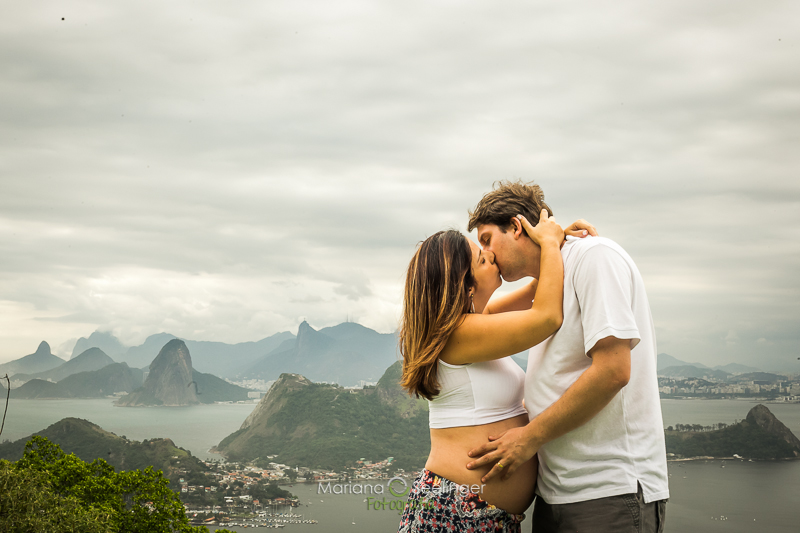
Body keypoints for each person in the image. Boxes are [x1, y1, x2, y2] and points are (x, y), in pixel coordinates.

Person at [465, 180, 669, 533]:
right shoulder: (551, 279)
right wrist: (550, 252)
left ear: (516, 226)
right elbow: (475, 323)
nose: (487, 253)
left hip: (608, 492)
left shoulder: (595, 256)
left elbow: (613, 371)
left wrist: (527, 439)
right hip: (557, 495)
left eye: (486, 239)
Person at [397, 211, 597, 533]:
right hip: (456, 512)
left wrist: (558, 248)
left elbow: (540, 291)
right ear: (464, 281)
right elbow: (546, 316)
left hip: (480, 515)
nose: (490, 255)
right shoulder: (459, 335)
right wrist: (548, 243)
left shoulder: (474, 325)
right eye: (480, 257)